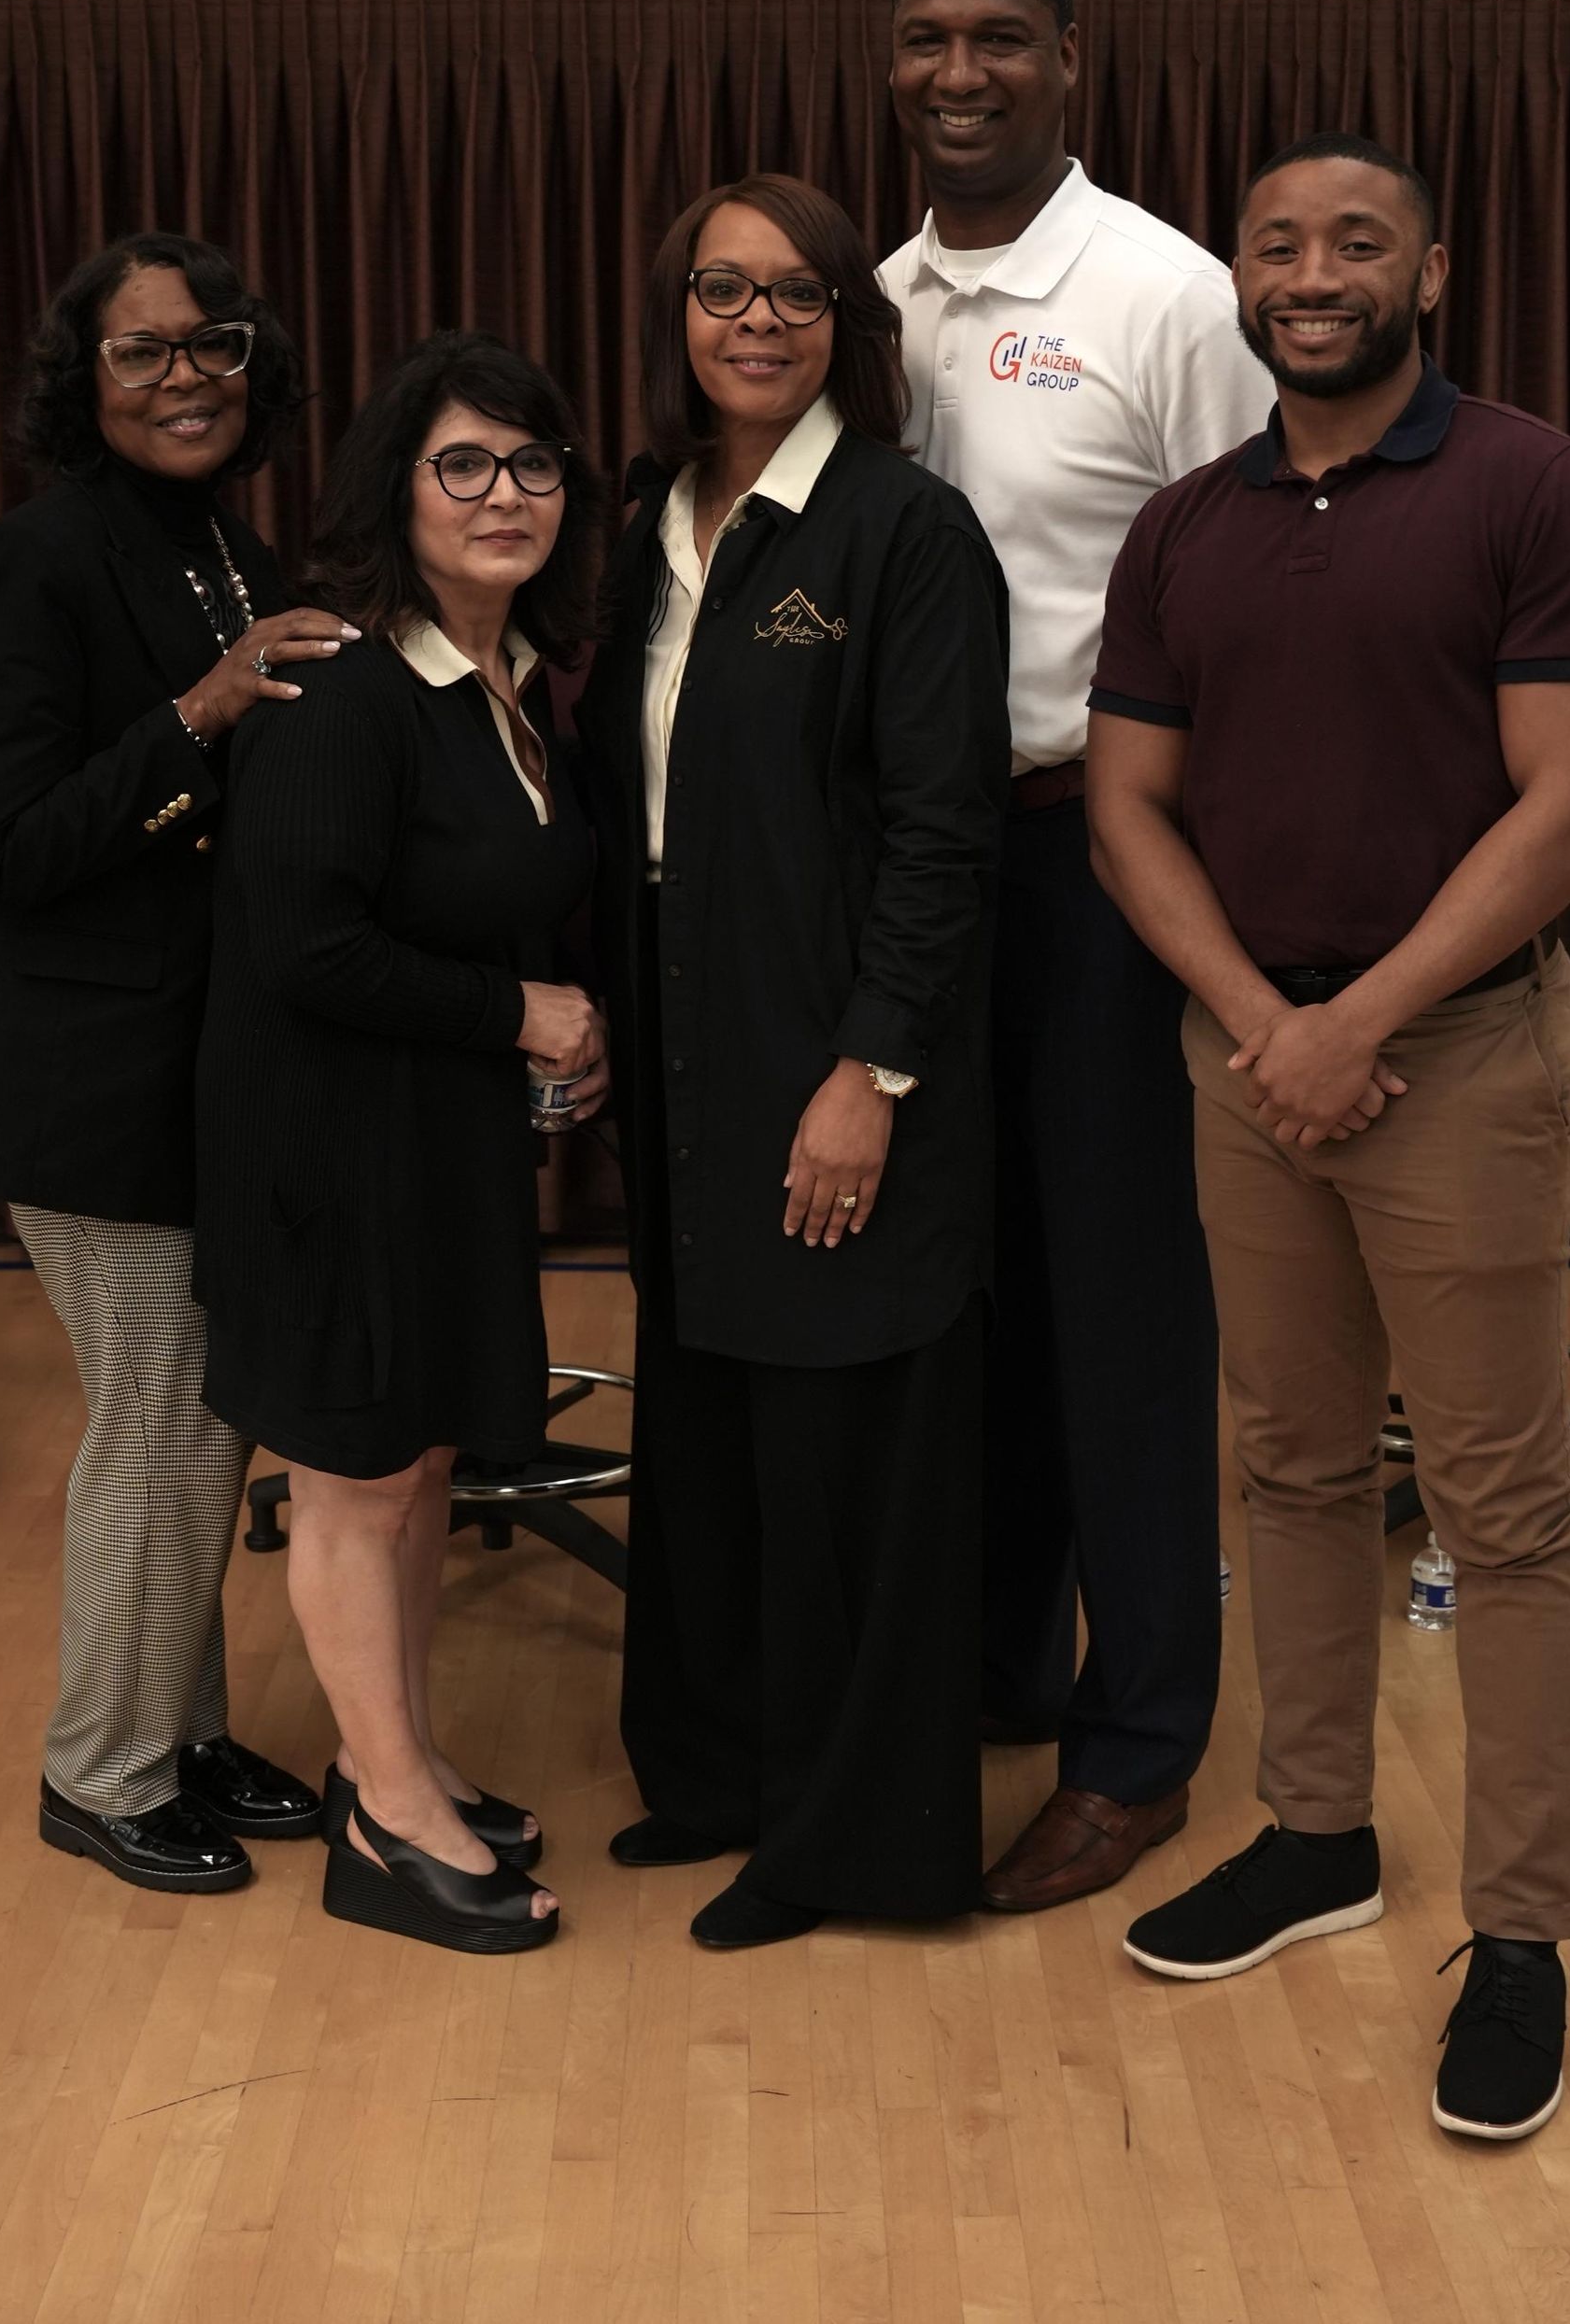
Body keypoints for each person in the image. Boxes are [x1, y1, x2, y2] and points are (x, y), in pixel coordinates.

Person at [1088, 133, 1570, 2140]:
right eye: (1274, 243)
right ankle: (1315, 1834)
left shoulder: (1535, 486)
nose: (1309, 271)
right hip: (1258, 1067)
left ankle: (1519, 1942)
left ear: (1433, 270)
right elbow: (1128, 805)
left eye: (1355, 242)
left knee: (1499, 1514)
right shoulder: (1184, 527)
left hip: (1465, 1062)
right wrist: (1270, 1027)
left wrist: (1363, 1022)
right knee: (1294, 1467)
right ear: (1237, 279)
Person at [879, 0, 1271, 1914]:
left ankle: (1144, 1749)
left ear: (1071, 63)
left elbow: (1265, 591)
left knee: (1123, 1316)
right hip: (933, 875)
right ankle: (1009, 1667)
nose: (961, 73)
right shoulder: (872, 304)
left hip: (1109, 855)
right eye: (928, 39)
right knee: (990, 1294)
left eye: (1001, 39)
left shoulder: (1165, 294)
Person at [577, 173, 1010, 1948]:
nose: (756, 321)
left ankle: (852, 1841)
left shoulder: (905, 532)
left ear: (851, 322)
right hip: (689, 1036)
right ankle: (729, 1778)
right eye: (720, 288)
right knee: (710, 1421)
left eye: (797, 293)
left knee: (846, 1455)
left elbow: (945, 833)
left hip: (831, 1047)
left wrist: (868, 1077)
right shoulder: (647, 521)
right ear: (677, 312)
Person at [0, 232, 338, 1891]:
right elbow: (13, 842)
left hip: (191, 1079)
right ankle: (99, 1771)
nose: (185, 378)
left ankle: (170, 1729)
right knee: (161, 1420)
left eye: (213, 345)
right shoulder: (38, 561)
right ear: (78, 386)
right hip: (76, 1087)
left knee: (195, 1427)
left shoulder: (226, 546)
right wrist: (209, 713)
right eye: (141, 353)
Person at [192, 331, 606, 1957]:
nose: (506, 495)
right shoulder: (343, 683)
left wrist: (534, 1031)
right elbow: (304, 945)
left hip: (431, 1145)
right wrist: (520, 1016)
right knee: (359, 1483)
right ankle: (384, 1820)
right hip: (328, 1156)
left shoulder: (498, 677)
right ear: (398, 489)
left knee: (422, 1459)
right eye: (465, 465)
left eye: (534, 465)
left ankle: (410, 1759)